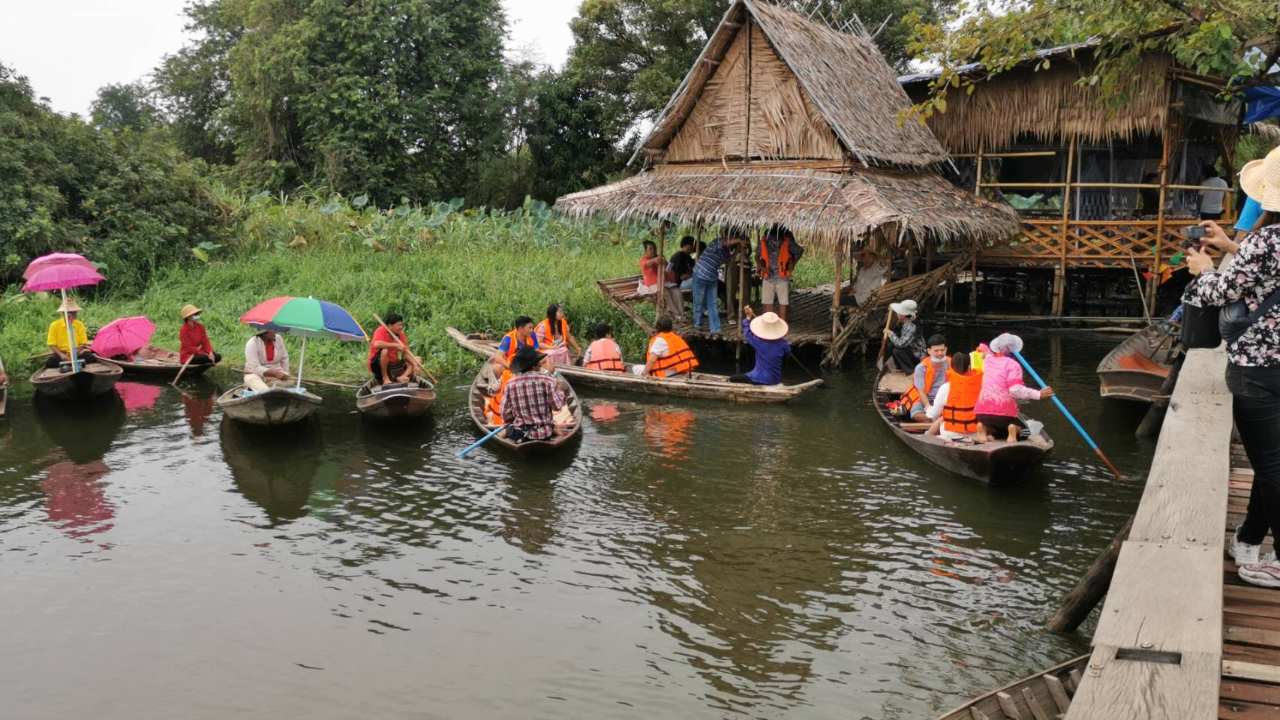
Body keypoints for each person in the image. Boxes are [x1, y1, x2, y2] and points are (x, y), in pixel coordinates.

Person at [1184, 145, 1280, 587]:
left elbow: (1217, 293)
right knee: (1272, 462)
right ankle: (1249, 535)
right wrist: (1229, 246)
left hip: (1259, 368)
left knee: (1273, 465)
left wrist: (1205, 267)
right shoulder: (1262, 245)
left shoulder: (1268, 240)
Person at [972, 333, 1054, 443]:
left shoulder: (987, 361)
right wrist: (1039, 394)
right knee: (1029, 431)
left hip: (981, 414)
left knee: (997, 430)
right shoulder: (1013, 365)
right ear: (1014, 349)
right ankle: (1014, 429)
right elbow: (1015, 390)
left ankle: (982, 427)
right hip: (1004, 415)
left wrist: (984, 349)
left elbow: (986, 353)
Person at [500, 347, 569, 442]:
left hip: (520, 434)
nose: (540, 365)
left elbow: (504, 414)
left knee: (506, 430)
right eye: (539, 363)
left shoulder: (510, 384)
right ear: (534, 365)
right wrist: (560, 392)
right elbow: (557, 407)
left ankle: (507, 435)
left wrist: (512, 420)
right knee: (553, 426)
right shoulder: (548, 381)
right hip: (545, 433)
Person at [690, 232, 746, 333]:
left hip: (712, 278)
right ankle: (697, 325)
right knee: (698, 301)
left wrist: (738, 248)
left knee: (713, 303)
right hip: (700, 275)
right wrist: (739, 240)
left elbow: (731, 260)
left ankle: (715, 329)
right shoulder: (716, 242)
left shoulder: (726, 252)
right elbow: (725, 243)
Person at [927, 352, 984, 440]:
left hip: (950, 434)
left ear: (951, 367)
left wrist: (928, 409)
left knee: (940, 418)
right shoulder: (981, 386)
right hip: (975, 434)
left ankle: (926, 436)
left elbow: (934, 414)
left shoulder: (945, 387)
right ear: (969, 367)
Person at [756, 225, 804, 321]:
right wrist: (762, 267)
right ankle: (769, 324)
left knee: (782, 303)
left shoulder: (787, 241)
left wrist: (792, 264)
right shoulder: (764, 241)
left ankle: (782, 326)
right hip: (768, 276)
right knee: (769, 303)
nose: (774, 240)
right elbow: (757, 256)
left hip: (782, 276)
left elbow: (799, 251)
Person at [731, 307, 789, 385]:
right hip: (775, 379)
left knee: (733, 378)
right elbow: (787, 353)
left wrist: (748, 317)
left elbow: (747, 333)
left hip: (758, 378)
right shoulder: (783, 343)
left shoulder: (758, 342)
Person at [899, 334, 950, 422]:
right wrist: (928, 407)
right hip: (926, 398)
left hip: (945, 398)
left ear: (946, 349)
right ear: (929, 351)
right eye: (936, 351)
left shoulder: (952, 363)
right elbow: (921, 392)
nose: (940, 353)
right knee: (916, 415)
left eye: (942, 350)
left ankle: (937, 421)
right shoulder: (921, 367)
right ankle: (938, 421)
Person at [45, 299, 97, 369]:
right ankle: (70, 364)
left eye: (74, 312)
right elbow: (51, 344)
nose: (73, 315)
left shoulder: (79, 325)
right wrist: (61, 355)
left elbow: (83, 343)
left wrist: (76, 352)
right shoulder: (54, 325)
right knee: (50, 362)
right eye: (70, 313)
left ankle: (70, 365)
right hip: (62, 354)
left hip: (77, 353)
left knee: (91, 358)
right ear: (63, 313)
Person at [368, 312, 415, 386]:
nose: (401, 327)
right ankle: (385, 378)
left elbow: (406, 353)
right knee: (385, 351)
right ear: (390, 326)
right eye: (399, 325)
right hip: (378, 366)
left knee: (416, 359)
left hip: (393, 366)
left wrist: (415, 363)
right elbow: (377, 344)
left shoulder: (400, 334)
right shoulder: (381, 330)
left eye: (402, 324)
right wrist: (395, 345)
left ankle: (402, 377)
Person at [883, 299, 926, 372]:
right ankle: (900, 367)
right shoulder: (908, 320)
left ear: (903, 315)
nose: (897, 314)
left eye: (899, 313)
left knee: (897, 350)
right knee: (891, 345)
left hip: (918, 356)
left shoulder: (911, 326)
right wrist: (891, 307)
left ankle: (910, 370)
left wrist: (890, 334)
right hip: (911, 349)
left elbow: (900, 344)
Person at [665, 236, 697, 319]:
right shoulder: (678, 257)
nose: (694, 248)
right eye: (693, 246)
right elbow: (682, 277)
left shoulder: (687, 256)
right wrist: (693, 274)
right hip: (677, 284)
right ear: (687, 245)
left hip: (684, 282)